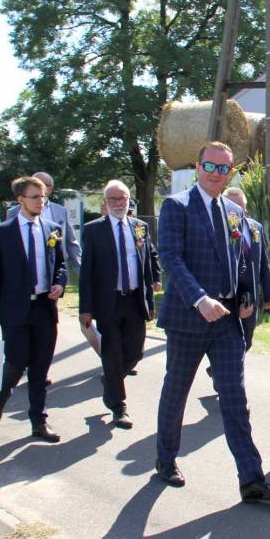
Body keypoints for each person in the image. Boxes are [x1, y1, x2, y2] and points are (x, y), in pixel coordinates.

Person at [155, 140, 270, 505]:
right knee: (176, 392)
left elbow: (243, 260)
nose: (217, 173)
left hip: (228, 323)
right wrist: (200, 299)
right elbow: (171, 258)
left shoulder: (234, 212)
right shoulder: (177, 206)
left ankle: (252, 480)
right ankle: (165, 459)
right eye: (211, 166)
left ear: (231, 172)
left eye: (224, 168)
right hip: (188, 318)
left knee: (235, 399)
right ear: (198, 167)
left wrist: (247, 298)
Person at [0, 176, 67, 443]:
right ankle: (2, 396)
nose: (41, 202)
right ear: (21, 200)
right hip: (15, 309)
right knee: (16, 364)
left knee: (40, 368)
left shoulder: (53, 229)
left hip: (44, 307)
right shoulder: (3, 233)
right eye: (35, 197)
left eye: (43, 197)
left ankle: (38, 422)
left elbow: (60, 264)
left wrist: (60, 283)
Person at [79, 180, 158, 429]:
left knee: (135, 352)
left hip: (134, 300)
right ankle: (118, 406)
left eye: (123, 198)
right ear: (105, 202)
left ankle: (111, 380)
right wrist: (85, 308)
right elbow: (86, 272)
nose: (119, 203)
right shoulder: (94, 230)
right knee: (112, 353)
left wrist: (151, 295)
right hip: (108, 302)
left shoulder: (140, 227)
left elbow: (148, 262)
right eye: (113, 199)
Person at [224, 186, 270, 349]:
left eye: (241, 206)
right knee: (230, 342)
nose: (237, 210)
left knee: (248, 339)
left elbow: (263, 262)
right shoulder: (221, 229)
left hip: (251, 294)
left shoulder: (255, 227)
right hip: (228, 295)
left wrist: (268, 294)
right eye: (232, 206)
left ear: (245, 207)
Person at [7, 171, 81, 274]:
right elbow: (8, 245)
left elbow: (71, 242)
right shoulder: (13, 212)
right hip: (23, 269)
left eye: (44, 184)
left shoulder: (61, 211)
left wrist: (82, 270)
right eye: (35, 182)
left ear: (51, 188)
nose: (39, 186)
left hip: (55, 270)